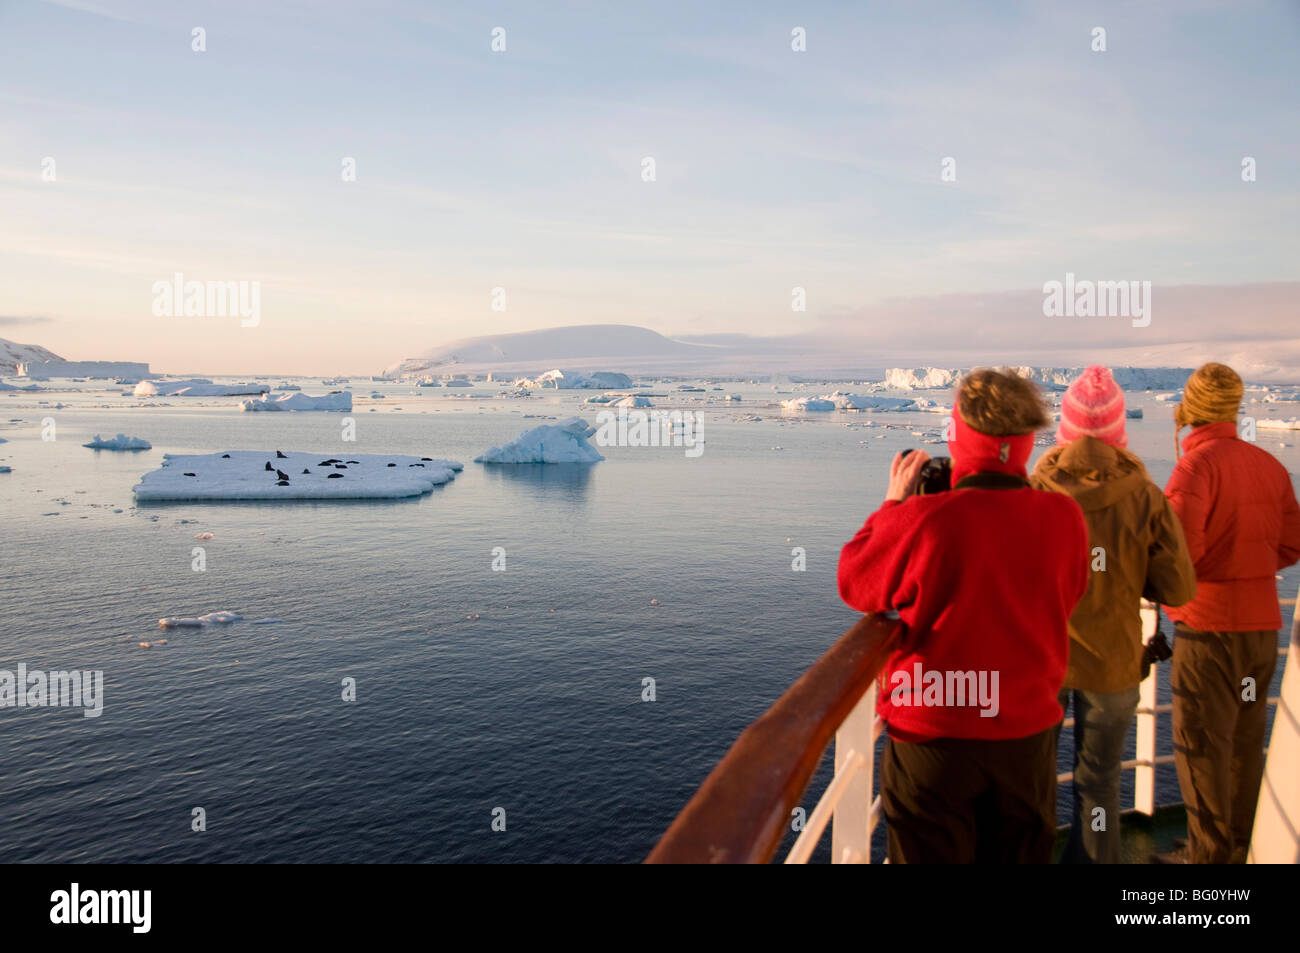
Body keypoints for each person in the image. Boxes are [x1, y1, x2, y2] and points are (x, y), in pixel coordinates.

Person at [838, 367, 1090, 863]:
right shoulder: (1065, 518)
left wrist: (893, 503)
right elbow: (1072, 592)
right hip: (1025, 734)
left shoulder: (925, 519)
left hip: (935, 733)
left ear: (961, 434)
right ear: (1024, 442)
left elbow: (857, 581)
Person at [1030, 365, 1196, 863]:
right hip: (1114, 664)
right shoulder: (1145, 495)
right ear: (1118, 432)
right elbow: (1178, 586)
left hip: (1045, 662)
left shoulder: (1037, 491)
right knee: (1098, 784)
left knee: (1033, 781)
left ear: (1066, 429)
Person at [1161, 362, 1300, 864]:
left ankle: (1207, 860)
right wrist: (1249, 564)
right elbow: (1290, 543)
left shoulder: (1195, 467)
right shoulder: (1268, 465)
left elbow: (1180, 555)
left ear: (1192, 407)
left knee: (1201, 745)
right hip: (1260, 631)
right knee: (1243, 741)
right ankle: (1238, 844)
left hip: (1208, 630)